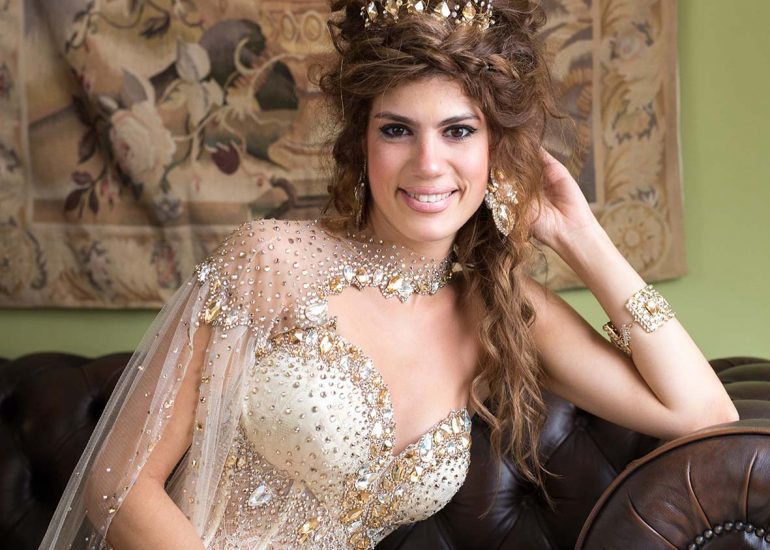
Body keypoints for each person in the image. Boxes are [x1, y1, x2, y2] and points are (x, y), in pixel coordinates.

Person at [40, 0, 739, 548]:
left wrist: (582, 239)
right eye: (397, 129)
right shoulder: (271, 260)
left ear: (497, 150)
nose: (429, 165)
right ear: (362, 144)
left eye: (459, 131)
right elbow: (118, 486)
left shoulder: (500, 310)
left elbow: (705, 416)